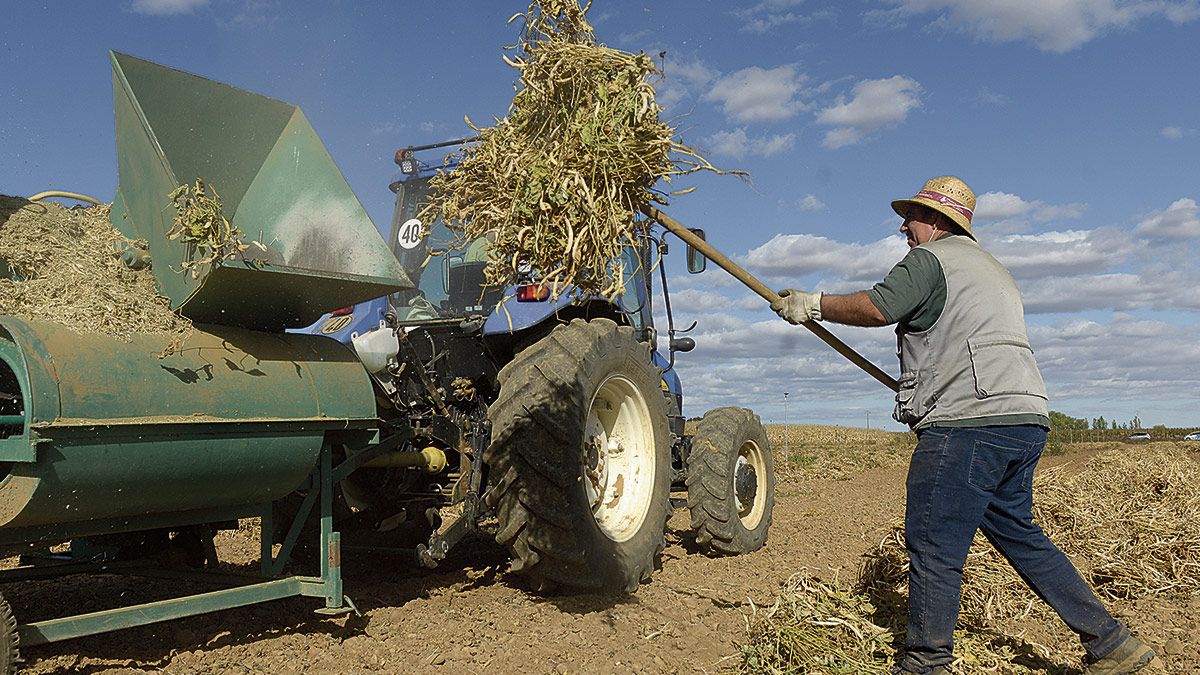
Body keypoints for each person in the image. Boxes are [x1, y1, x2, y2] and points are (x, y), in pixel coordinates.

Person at [770, 176, 1157, 675]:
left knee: (933, 541)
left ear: (935, 221)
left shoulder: (931, 259)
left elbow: (878, 307)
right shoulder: (994, 270)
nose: (903, 226)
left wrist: (812, 303)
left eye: (910, 216)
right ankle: (1113, 643)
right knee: (1020, 534)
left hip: (968, 422)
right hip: (1025, 418)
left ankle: (926, 663)